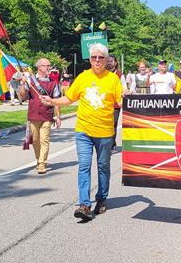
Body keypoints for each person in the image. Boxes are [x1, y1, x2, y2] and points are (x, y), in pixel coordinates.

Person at [40, 43, 128, 221]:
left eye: (100, 58)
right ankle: (84, 204)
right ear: (90, 59)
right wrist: (52, 101)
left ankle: (101, 198)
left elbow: (121, 102)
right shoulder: (82, 77)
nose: (97, 60)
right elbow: (69, 98)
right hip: (83, 130)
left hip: (104, 131)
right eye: (94, 57)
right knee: (84, 166)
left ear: (106, 60)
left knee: (103, 167)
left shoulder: (112, 79)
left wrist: (126, 96)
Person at [20, 58, 61, 174]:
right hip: (33, 115)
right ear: (40, 67)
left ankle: (42, 163)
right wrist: (23, 83)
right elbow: (23, 96)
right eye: (47, 66)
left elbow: (56, 101)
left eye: (49, 66)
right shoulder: (30, 81)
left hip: (47, 115)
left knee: (45, 140)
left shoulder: (53, 84)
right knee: (36, 140)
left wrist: (58, 117)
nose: (49, 68)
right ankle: (39, 159)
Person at [106, 54, 127, 153]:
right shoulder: (103, 73)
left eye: (111, 61)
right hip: (104, 103)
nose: (109, 63)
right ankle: (106, 143)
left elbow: (124, 89)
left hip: (115, 104)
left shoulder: (120, 75)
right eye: (108, 61)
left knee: (113, 124)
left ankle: (111, 144)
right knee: (105, 124)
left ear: (115, 63)